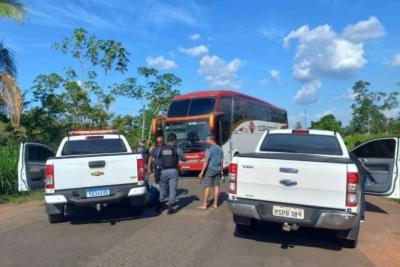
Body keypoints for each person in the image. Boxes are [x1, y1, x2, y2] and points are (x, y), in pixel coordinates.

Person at [156, 133, 186, 214]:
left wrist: (159, 165)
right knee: (172, 189)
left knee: (162, 188)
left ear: (167, 140)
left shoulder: (161, 148)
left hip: (163, 171)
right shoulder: (177, 148)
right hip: (173, 171)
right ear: (175, 140)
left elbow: (157, 158)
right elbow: (183, 158)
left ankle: (160, 205)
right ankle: (170, 208)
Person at [198, 135, 224, 210]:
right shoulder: (220, 148)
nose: (206, 141)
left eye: (207, 139)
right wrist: (221, 170)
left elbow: (206, 160)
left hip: (210, 170)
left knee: (207, 187)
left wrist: (202, 172)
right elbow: (222, 160)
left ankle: (204, 205)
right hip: (218, 169)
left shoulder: (209, 148)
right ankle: (215, 204)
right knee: (216, 186)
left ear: (211, 140)